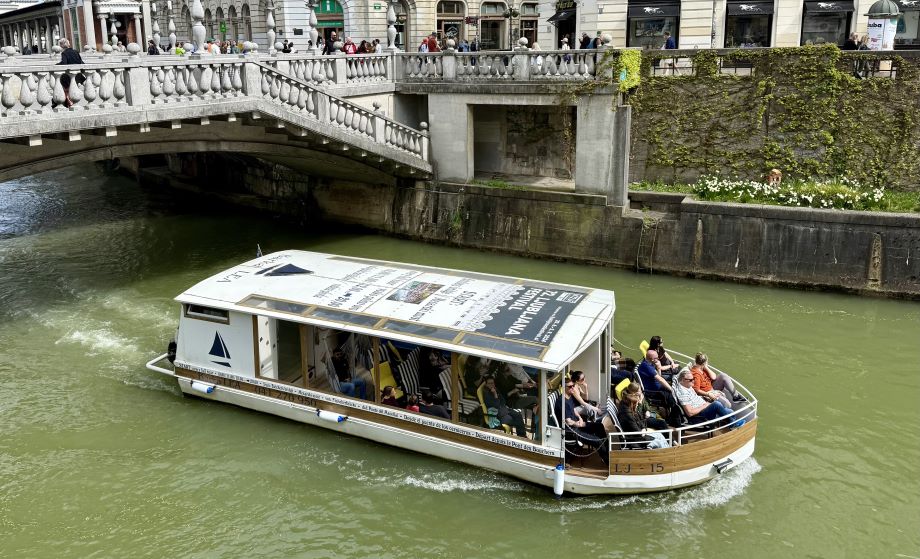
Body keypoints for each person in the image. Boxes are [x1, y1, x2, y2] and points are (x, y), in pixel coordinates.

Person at [556, 379, 609, 464]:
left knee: (599, 426)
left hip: (577, 425)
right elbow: (568, 422)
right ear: (563, 387)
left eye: (573, 386)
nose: (573, 388)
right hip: (571, 431)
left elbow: (574, 410)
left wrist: (580, 418)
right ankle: (608, 461)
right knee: (597, 441)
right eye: (570, 387)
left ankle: (607, 451)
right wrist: (577, 424)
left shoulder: (569, 397)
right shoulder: (562, 402)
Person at [618, 383, 671, 449]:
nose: (638, 405)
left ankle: (669, 449)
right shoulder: (627, 414)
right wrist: (644, 430)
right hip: (636, 439)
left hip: (640, 433)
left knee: (659, 434)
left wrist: (644, 428)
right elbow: (637, 432)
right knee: (658, 441)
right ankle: (667, 453)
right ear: (632, 404)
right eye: (637, 404)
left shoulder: (630, 406)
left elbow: (640, 420)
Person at [637, 349, 680, 426]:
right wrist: (671, 389)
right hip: (653, 392)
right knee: (674, 399)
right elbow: (660, 379)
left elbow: (659, 376)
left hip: (658, 388)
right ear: (652, 359)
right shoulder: (647, 367)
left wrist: (658, 368)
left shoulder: (649, 364)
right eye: (657, 357)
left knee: (674, 396)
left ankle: (672, 417)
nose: (659, 358)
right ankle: (676, 422)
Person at [57, 38, 85, 108]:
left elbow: (64, 63)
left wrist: (56, 65)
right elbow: (81, 62)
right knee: (72, 87)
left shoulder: (64, 53)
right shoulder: (76, 51)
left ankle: (69, 103)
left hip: (69, 76)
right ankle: (71, 102)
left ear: (61, 46)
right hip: (78, 75)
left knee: (64, 87)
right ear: (68, 44)